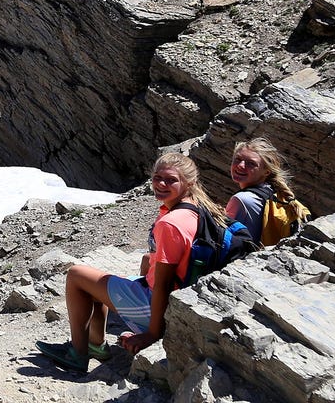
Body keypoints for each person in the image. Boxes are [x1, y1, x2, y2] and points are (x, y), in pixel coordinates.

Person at [39, 153, 222, 373]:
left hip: (155, 305)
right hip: (174, 297)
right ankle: (95, 345)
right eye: (157, 177)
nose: (161, 184)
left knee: (76, 275)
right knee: (100, 280)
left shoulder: (172, 223)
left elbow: (163, 285)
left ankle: (78, 354)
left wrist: (152, 334)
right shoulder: (196, 207)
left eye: (171, 180)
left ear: (189, 183)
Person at [224, 138, 297, 245]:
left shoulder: (241, 200)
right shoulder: (275, 192)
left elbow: (224, 241)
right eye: (238, 159)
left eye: (251, 164)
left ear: (267, 171)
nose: (240, 165)